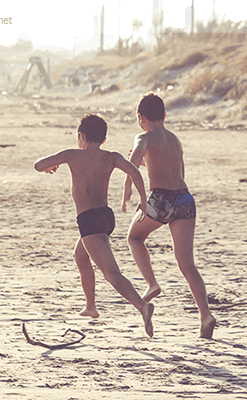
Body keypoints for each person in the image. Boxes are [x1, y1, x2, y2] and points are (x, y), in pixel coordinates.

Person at [34, 113, 154, 337]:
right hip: (106, 218)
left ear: (81, 136)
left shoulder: (72, 155)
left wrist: (49, 168)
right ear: (104, 139)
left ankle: (142, 306)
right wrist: (143, 201)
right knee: (80, 255)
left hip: (88, 219)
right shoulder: (111, 157)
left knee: (111, 274)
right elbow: (135, 172)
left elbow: (38, 164)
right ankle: (90, 307)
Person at [121, 93, 216, 339]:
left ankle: (152, 284)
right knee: (187, 264)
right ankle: (205, 315)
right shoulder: (175, 139)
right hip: (184, 199)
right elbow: (178, 171)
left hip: (161, 198)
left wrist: (128, 190)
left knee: (134, 238)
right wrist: (150, 165)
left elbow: (133, 162)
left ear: (140, 118)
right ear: (164, 115)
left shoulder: (143, 136)